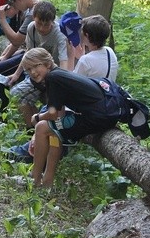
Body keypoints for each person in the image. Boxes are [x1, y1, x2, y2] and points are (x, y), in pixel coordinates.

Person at [20, 48, 119, 188]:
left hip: (95, 118)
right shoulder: (59, 74)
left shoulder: (52, 78)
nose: (33, 72)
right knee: (54, 129)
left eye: (36, 66)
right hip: (100, 115)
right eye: (29, 69)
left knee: (41, 127)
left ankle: (35, 180)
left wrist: (37, 117)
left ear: (47, 63)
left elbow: (53, 113)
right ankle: (47, 182)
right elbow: (57, 116)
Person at [6, 1, 71, 125]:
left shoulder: (59, 34)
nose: (41, 28)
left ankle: (49, 132)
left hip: (52, 75)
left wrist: (61, 84)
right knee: (16, 95)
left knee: (53, 110)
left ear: (52, 21)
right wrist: (16, 74)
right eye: (39, 23)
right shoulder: (31, 28)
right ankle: (33, 129)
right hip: (35, 74)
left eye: (46, 25)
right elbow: (29, 54)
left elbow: (64, 61)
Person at [74, 15, 119, 81]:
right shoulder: (110, 52)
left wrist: (70, 56)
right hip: (108, 90)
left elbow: (70, 84)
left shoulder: (85, 60)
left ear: (87, 35)